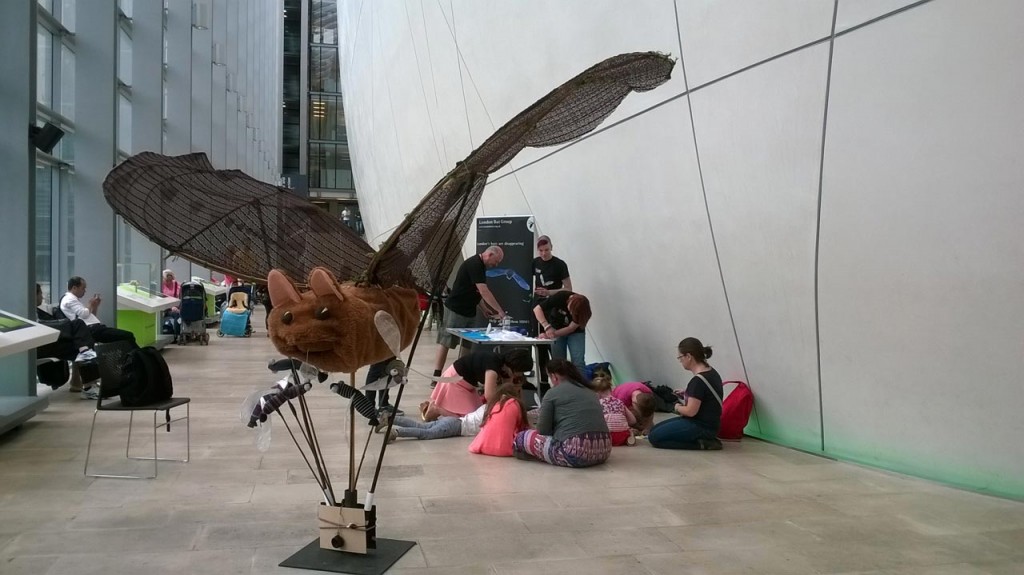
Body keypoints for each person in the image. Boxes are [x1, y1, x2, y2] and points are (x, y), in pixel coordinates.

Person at [513, 359, 611, 467]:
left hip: (575, 454)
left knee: (522, 437)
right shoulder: (590, 391)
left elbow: (543, 430)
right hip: (604, 450)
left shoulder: (552, 393)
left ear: (554, 377)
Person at [431, 246, 507, 381]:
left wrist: (483, 308)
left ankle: (461, 374)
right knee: (446, 341)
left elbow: (475, 291)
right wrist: (499, 310)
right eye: (496, 261)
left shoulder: (481, 267)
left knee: (467, 343)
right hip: (456, 308)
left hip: (469, 310)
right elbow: (484, 291)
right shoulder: (474, 264)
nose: (496, 265)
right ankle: (436, 376)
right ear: (489, 254)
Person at [648, 337, 724, 450]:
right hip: (711, 424)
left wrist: (676, 407)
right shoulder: (711, 372)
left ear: (688, 356)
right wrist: (687, 393)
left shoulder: (698, 381)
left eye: (680, 357)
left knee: (654, 437)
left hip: (702, 426)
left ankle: (703, 443)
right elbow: (706, 395)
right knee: (654, 430)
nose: (680, 361)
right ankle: (705, 439)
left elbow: (690, 412)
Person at [422, 348, 533, 422]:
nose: (520, 375)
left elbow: (507, 390)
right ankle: (437, 409)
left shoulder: (504, 368)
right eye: (520, 372)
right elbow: (489, 395)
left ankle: (433, 409)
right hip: (455, 381)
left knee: (478, 413)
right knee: (470, 419)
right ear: (514, 367)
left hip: (466, 385)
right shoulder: (493, 365)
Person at [59, 276, 137, 346]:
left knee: (125, 336)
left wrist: (95, 306)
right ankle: (138, 357)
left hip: (94, 328)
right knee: (128, 335)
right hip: (92, 330)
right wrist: (90, 304)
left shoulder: (73, 299)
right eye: (83, 288)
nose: (85, 291)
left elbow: (89, 317)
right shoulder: (69, 299)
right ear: (74, 288)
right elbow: (84, 314)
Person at [469, 381, 531, 457]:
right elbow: (523, 426)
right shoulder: (515, 402)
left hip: (484, 446)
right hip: (506, 449)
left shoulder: (493, 405)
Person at [534, 291, 591, 370]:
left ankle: (579, 382)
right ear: (569, 301)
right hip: (556, 326)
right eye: (571, 310)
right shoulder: (561, 296)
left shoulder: (584, 311)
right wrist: (547, 327)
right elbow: (537, 309)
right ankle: (561, 381)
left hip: (576, 332)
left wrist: (552, 334)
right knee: (558, 363)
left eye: (574, 313)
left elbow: (571, 328)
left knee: (578, 362)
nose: (571, 313)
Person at [589, 374, 636, 446]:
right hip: (622, 435)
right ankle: (629, 436)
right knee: (629, 430)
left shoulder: (598, 404)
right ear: (611, 390)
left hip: (606, 437)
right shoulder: (620, 402)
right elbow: (633, 420)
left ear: (596, 394)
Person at [160, 269, 182, 343]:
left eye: (170, 280)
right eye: (167, 280)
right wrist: (170, 307)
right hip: (164, 308)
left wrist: (177, 307)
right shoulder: (160, 286)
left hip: (175, 307)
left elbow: (180, 297)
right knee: (177, 315)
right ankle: (176, 335)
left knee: (179, 313)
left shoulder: (177, 285)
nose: (169, 282)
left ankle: (179, 333)